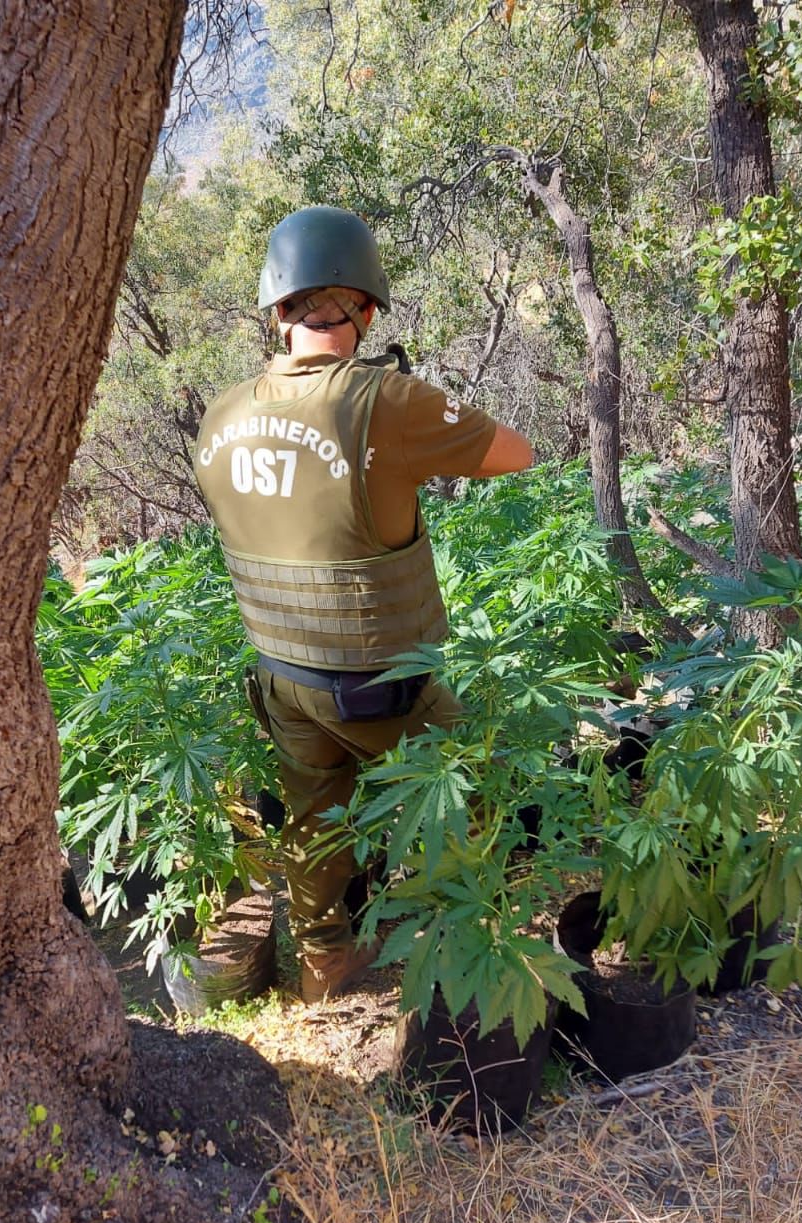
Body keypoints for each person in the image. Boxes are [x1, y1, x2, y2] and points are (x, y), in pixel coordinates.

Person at [193, 206, 534, 1001]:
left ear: (278, 312)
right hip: (377, 679)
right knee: (465, 792)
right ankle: (464, 961)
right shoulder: (385, 400)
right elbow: (516, 453)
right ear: (365, 307)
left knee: (314, 821)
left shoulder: (221, 415)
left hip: (280, 675)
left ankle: (322, 965)